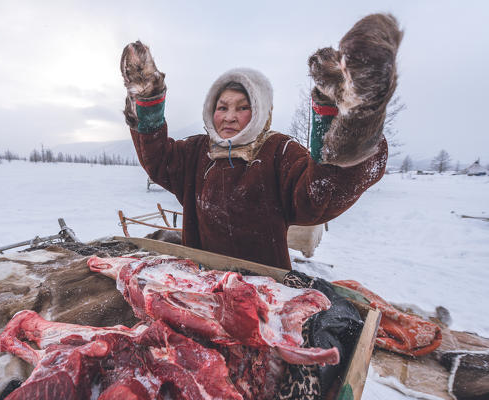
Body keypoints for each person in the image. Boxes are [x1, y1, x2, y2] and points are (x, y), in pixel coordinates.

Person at [120, 13, 402, 271]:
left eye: (242, 107)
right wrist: (147, 101)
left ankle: (356, 107)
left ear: (260, 112)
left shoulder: (278, 152)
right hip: (200, 283)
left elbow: (318, 196)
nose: (229, 117)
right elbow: (158, 161)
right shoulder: (197, 152)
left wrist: (341, 125)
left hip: (263, 294)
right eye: (222, 107)